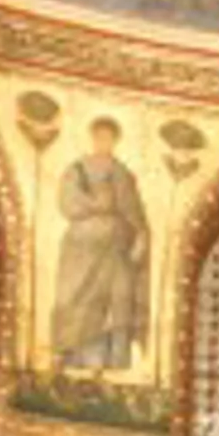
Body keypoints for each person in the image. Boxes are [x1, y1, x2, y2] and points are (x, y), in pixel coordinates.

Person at [51, 118, 150, 373]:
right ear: (93, 138)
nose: (103, 142)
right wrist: (95, 204)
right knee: (78, 297)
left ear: (115, 141)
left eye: (109, 138)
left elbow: (134, 211)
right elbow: (67, 202)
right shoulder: (77, 170)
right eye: (99, 137)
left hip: (116, 247)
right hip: (83, 246)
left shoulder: (123, 174)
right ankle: (74, 359)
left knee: (116, 301)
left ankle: (110, 362)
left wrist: (141, 236)